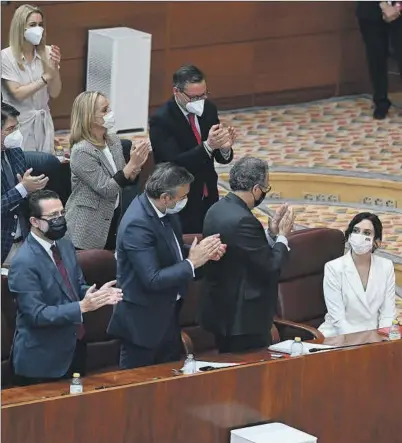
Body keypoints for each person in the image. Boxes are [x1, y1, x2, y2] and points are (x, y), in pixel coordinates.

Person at [107, 163, 226, 369]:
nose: (185, 201)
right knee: (138, 391)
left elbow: (172, 248)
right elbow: (152, 279)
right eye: (182, 197)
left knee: (168, 385)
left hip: (167, 315)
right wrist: (192, 262)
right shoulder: (137, 224)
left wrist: (204, 254)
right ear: (165, 198)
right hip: (143, 325)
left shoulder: (164, 211)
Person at [8, 190, 123, 386]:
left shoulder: (65, 245)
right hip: (41, 360)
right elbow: (36, 315)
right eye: (52, 216)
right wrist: (81, 307)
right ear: (35, 222)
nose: (60, 219)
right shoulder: (24, 262)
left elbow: (75, 286)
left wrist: (95, 294)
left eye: (62, 213)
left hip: (74, 347)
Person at [199, 157, 295, 353]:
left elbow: (247, 252)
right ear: (256, 189)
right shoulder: (244, 220)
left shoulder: (216, 209)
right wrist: (283, 237)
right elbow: (270, 265)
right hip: (243, 319)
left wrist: (271, 234)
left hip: (222, 312)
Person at [149, 64, 236, 234]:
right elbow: (173, 163)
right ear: (177, 92)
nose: (200, 101)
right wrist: (208, 146)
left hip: (209, 192)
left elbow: (217, 155)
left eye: (203, 95)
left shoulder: (209, 109)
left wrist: (224, 149)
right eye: (194, 97)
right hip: (180, 197)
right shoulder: (161, 120)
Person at [65, 91, 150, 250]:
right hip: (88, 225)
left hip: (114, 216)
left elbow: (122, 178)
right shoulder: (82, 151)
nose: (110, 113)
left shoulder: (113, 141)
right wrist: (131, 164)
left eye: (109, 108)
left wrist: (136, 167)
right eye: (104, 110)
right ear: (89, 117)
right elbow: (107, 188)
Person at [318, 212, 396, 337]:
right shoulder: (333, 268)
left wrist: (383, 339)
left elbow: (387, 313)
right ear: (349, 235)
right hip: (338, 336)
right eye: (356, 230)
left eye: (367, 233)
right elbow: (338, 320)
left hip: (373, 336)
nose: (359, 236)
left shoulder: (386, 266)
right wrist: (360, 345)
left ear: (377, 242)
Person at [1, 4, 62, 153]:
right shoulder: (5, 56)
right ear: (20, 28)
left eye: (41, 25)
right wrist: (46, 77)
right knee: (22, 170)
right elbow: (17, 94)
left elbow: (55, 92)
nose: (38, 29)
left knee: (45, 168)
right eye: (33, 25)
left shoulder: (47, 52)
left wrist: (54, 70)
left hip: (43, 122)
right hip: (18, 125)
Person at [1, 102, 48, 266]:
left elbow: (24, 193)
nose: (16, 134)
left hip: (25, 239)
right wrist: (22, 189)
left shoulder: (16, 152)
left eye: (16, 127)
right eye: (10, 129)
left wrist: (32, 190)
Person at [356, 1, 402, 119]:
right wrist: (384, 5)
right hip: (371, 9)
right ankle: (381, 101)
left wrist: (397, 5)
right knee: (376, 56)